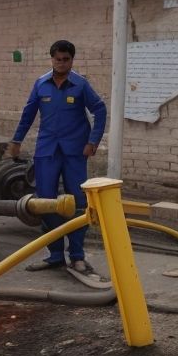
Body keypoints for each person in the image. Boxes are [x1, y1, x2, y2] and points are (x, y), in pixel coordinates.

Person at [10, 40, 107, 276]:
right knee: (46, 202)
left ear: (72, 60)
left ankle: (77, 256)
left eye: (66, 59)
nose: (61, 63)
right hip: (47, 151)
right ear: (51, 59)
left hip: (75, 153)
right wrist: (16, 140)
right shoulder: (41, 85)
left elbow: (100, 109)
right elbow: (28, 114)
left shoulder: (81, 85)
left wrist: (92, 141)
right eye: (57, 59)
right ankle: (54, 255)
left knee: (77, 203)